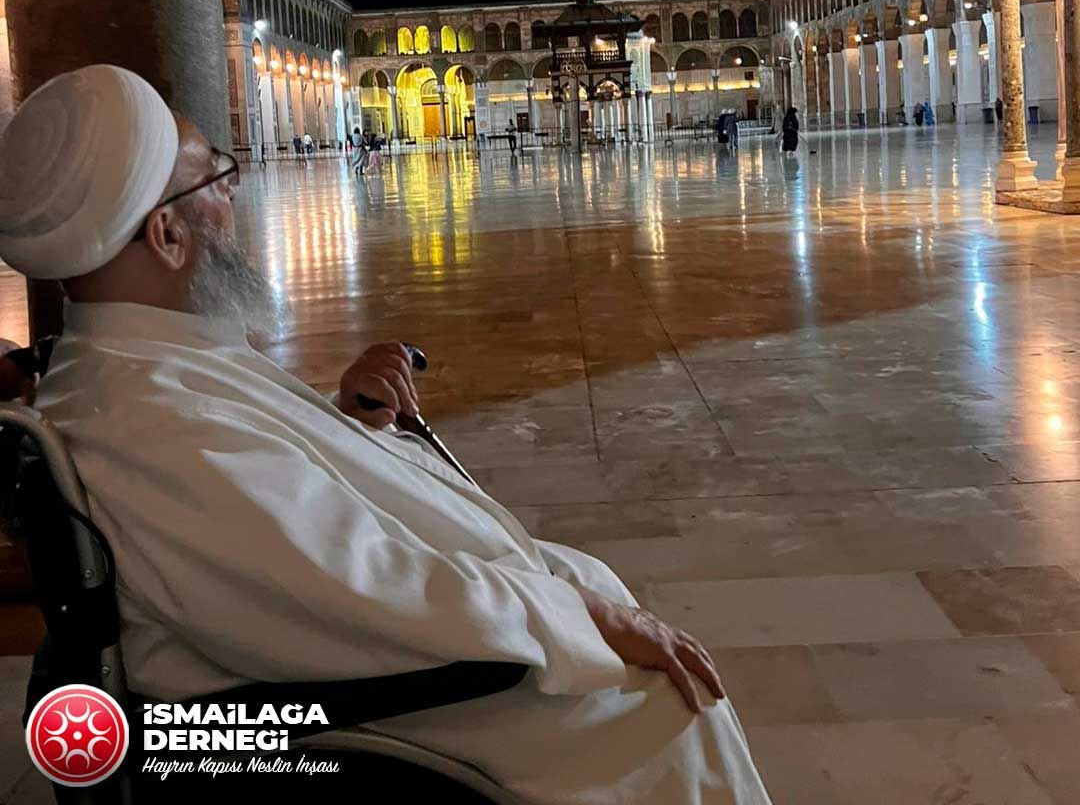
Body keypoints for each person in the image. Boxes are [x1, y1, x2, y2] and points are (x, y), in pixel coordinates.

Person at [0, 65, 771, 805]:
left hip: (325, 662)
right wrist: (575, 618)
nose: (235, 190)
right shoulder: (146, 415)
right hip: (326, 713)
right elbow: (358, 594)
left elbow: (272, 516)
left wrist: (350, 425)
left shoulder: (142, 364)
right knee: (660, 704)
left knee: (591, 583)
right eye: (216, 179)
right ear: (166, 236)